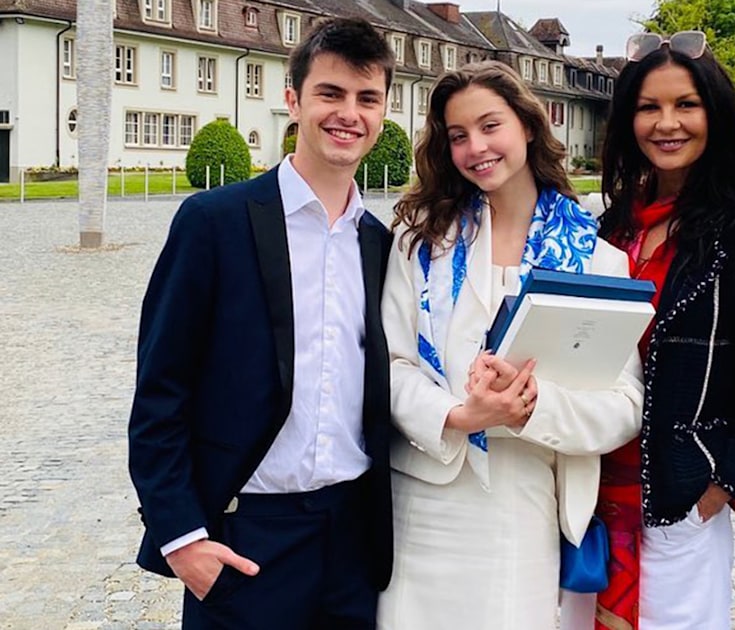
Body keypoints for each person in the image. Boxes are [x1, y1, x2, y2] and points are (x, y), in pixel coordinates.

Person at [127, 17, 395, 628]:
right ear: (293, 99)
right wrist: (181, 538)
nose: (348, 113)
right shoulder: (213, 223)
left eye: (367, 98)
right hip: (248, 533)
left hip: (353, 538)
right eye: (330, 93)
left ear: (382, 113)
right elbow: (160, 392)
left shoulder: (381, 245)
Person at [376, 60, 642, 630]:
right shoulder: (419, 242)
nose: (476, 147)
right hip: (425, 498)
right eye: (458, 136)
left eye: (490, 125)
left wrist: (529, 409)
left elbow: (624, 407)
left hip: (526, 503)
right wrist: (458, 413)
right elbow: (390, 367)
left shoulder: (598, 260)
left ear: (528, 123)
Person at [562, 31, 735, 630]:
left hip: (677, 493)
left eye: (685, 105)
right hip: (587, 491)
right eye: (649, 107)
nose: (667, 123)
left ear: (712, 113)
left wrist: (720, 486)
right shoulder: (611, 226)